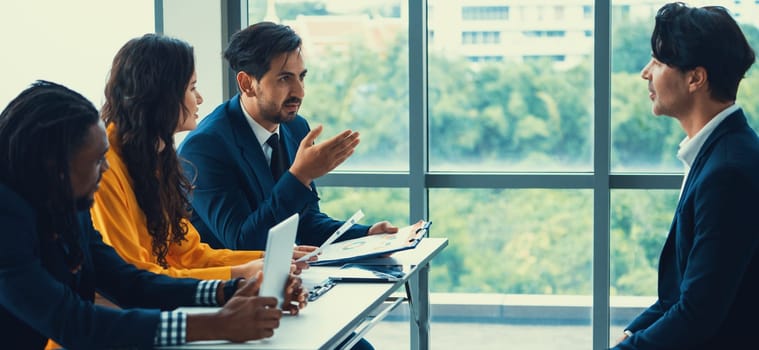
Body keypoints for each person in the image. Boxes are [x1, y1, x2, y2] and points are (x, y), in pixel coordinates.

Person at [0, 80, 306, 349]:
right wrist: (213, 325)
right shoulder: (8, 219)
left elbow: (126, 282)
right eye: (95, 161)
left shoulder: (66, 201)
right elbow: (72, 321)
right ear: (56, 168)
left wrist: (230, 291)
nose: (104, 168)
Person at [91, 33, 313, 281]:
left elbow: (190, 255)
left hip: (159, 297)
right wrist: (238, 274)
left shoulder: (155, 158)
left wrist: (264, 258)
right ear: (161, 94)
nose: (200, 99)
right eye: (191, 88)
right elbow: (133, 276)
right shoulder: (106, 166)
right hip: (127, 309)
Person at [177, 21, 398, 251]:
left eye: (301, 77)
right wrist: (300, 176)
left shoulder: (295, 128)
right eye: (284, 79)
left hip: (276, 275)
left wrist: (367, 234)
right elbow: (244, 242)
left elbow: (306, 223)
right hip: (226, 282)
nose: (300, 92)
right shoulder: (204, 148)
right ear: (247, 84)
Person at [613, 3, 759, 349]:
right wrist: (632, 333)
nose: (645, 73)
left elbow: (698, 314)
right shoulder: (719, 152)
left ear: (695, 78)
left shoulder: (729, 172)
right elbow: (683, 293)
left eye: (659, 62)